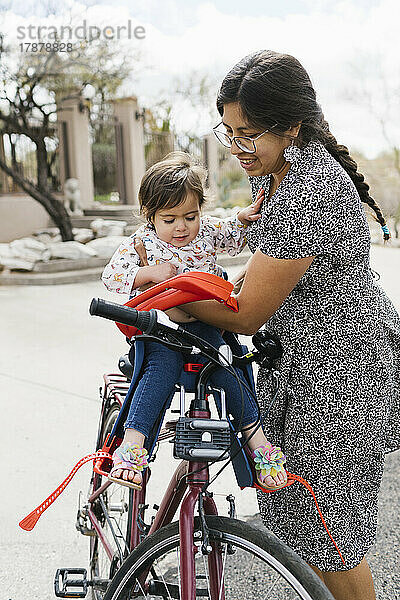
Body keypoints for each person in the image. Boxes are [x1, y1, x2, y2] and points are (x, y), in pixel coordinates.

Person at [134, 51, 399, 600]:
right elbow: (260, 278)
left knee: (335, 541)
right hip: (303, 372)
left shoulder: (310, 188)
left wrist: (172, 298)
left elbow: (248, 310)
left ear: (292, 126)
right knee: (308, 533)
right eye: (229, 131)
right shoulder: (279, 177)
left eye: (249, 133)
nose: (237, 146)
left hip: (341, 378)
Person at [101, 151, 287, 493]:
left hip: (205, 327)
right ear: (150, 216)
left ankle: (258, 444)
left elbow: (232, 233)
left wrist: (244, 217)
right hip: (161, 330)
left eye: (190, 216)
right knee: (159, 372)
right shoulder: (142, 244)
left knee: (228, 368)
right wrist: (147, 273)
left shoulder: (207, 232)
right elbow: (111, 276)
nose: (182, 227)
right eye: (169, 219)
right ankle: (133, 446)